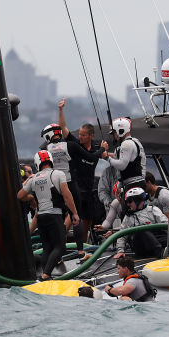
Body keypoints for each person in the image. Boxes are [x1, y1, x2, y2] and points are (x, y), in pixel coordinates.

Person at [18, 150, 79, 280]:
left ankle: (44, 275)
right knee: (60, 247)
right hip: (54, 215)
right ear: (50, 160)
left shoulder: (33, 178)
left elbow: (19, 195)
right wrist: (74, 213)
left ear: (37, 163)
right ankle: (46, 275)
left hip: (41, 218)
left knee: (47, 247)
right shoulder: (58, 174)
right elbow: (67, 196)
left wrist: (30, 196)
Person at [57, 100, 107, 250]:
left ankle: (83, 247)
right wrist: (61, 110)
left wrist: (108, 152)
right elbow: (63, 128)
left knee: (88, 220)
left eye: (84, 135)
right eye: (80, 134)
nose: (81, 137)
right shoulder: (76, 144)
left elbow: (106, 155)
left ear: (91, 136)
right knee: (71, 216)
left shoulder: (97, 147)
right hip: (76, 187)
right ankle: (60, 244)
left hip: (89, 187)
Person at [116, 187, 168, 258]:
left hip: (155, 240)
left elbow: (167, 225)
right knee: (141, 229)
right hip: (140, 247)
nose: (128, 204)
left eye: (129, 201)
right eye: (127, 202)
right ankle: (161, 253)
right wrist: (120, 250)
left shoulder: (153, 210)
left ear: (138, 200)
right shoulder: (128, 217)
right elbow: (122, 235)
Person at [103, 117, 146, 191]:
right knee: (115, 203)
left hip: (133, 185)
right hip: (134, 183)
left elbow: (121, 165)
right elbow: (121, 158)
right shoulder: (134, 141)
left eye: (114, 132)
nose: (114, 135)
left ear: (121, 130)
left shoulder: (126, 144)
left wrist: (107, 158)